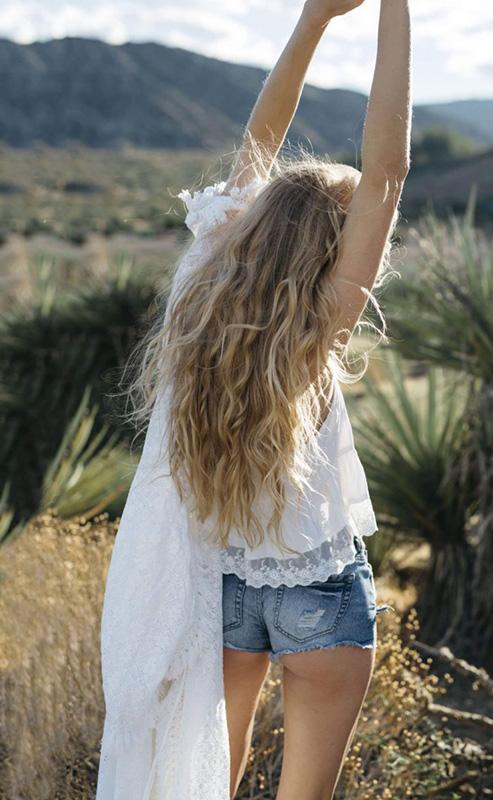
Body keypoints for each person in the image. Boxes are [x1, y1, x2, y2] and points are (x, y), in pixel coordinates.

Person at [96, 1, 412, 799]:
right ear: (331, 251)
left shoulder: (201, 288)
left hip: (228, 589)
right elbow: (388, 170)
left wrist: (314, 19)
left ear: (257, 225)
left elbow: (258, 145)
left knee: (204, 783)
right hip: (320, 591)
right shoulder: (321, 323)